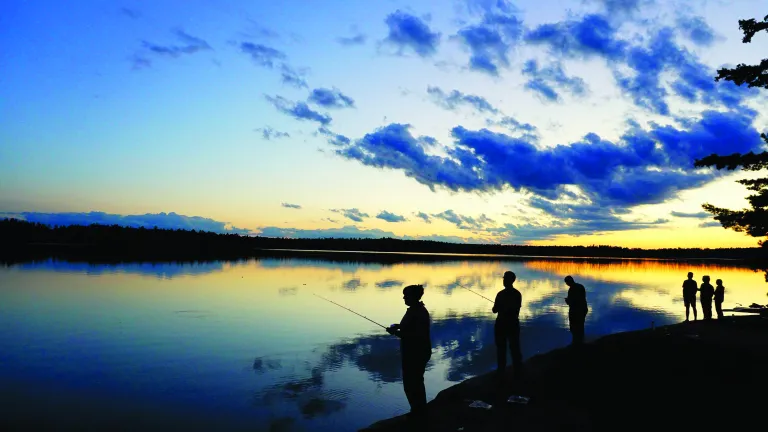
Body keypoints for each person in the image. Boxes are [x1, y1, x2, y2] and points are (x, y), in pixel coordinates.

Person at [386, 284, 432, 419]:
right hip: (414, 352)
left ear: (414, 297)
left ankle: (418, 412)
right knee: (415, 382)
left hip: (416, 353)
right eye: (404, 295)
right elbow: (411, 328)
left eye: (406, 295)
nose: (404, 298)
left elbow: (413, 335)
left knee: (412, 383)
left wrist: (395, 332)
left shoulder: (418, 312)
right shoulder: (415, 310)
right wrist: (399, 326)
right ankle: (418, 410)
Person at [492, 271, 523, 379]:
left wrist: (499, 307)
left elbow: (494, 310)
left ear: (509, 280)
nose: (503, 280)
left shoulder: (500, 294)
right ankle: (518, 371)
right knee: (515, 348)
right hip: (513, 324)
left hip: (501, 324)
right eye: (504, 278)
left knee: (501, 349)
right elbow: (516, 309)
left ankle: (501, 372)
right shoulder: (517, 294)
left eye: (504, 278)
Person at [564, 276, 588, 346]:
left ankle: (576, 343)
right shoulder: (581, 286)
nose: (566, 284)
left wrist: (567, 301)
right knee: (581, 326)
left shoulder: (571, 289)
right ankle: (581, 342)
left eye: (566, 282)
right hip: (583, 309)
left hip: (575, 311)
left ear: (568, 282)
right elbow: (582, 297)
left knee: (574, 327)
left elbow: (571, 302)